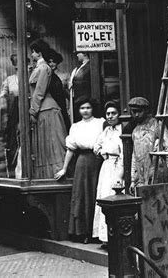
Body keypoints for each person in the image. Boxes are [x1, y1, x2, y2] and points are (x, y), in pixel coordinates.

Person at [55, 99, 104, 243]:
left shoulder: (100, 123)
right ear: (78, 110)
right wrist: (64, 168)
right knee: (83, 195)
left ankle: (96, 233)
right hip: (82, 162)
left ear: (92, 109)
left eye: (88, 107)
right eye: (82, 108)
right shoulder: (76, 127)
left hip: (98, 160)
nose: (86, 110)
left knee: (96, 193)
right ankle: (83, 233)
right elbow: (71, 149)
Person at [29, 39, 67, 179]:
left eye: (33, 52)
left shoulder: (44, 68)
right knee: (48, 144)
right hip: (43, 110)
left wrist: (33, 110)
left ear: (38, 53)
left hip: (47, 110)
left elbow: (40, 90)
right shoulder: (39, 68)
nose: (32, 55)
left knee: (53, 143)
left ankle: (56, 173)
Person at [128, 96, 168, 192]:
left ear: (146, 111)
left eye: (139, 111)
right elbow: (135, 156)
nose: (137, 115)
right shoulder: (135, 131)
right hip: (141, 174)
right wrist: (133, 180)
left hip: (157, 171)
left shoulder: (157, 125)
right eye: (134, 112)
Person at [92, 101, 124, 246]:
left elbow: (123, 151)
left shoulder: (122, 130)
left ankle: (117, 236)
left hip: (118, 166)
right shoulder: (106, 131)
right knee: (104, 197)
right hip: (106, 166)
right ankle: (106, 238)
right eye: (108, 114)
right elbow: (96, 145)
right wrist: (101, 152)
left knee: (115, 196)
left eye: (113, 113)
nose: (110, 116)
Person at [1, 54, 20, 173]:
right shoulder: (9, 79)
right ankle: (14, 167)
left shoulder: (30, 76)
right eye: (15, 62)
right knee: (13, 139)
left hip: (28, 111)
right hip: (14, 112)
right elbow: (2, 96)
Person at [47, 49, 71, 132]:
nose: (52, 64)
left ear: (57, 62)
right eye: (49, 62)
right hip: (50, 105)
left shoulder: (65, 75)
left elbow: (69, 94)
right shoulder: (46, 75)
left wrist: (69, 108)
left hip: (62, 104)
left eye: (54, 61)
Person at [69, 52, 91, 123]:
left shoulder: (89, 67)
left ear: (85, 54)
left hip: (84, 100)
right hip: (77, 100)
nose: (77, 55)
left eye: (79, 53)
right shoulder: (80, 67)